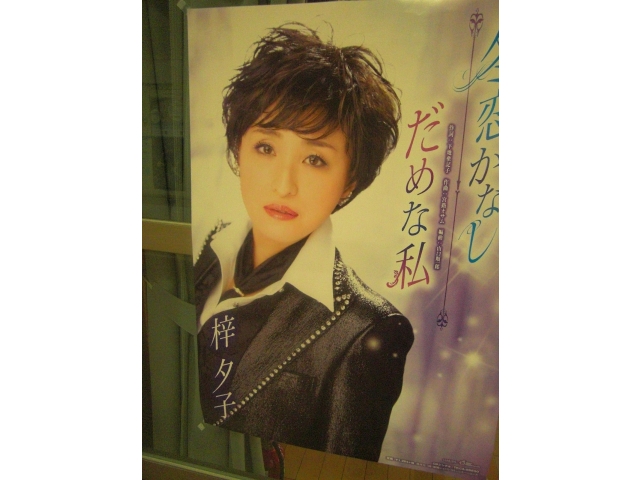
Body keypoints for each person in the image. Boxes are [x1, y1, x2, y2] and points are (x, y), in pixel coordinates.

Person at [194, 24, 414, 462]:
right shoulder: (204, 248)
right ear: (238, 150)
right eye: (265, 148)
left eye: (315, 159)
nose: (283, 185)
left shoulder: (368, 331)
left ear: (349, 182)